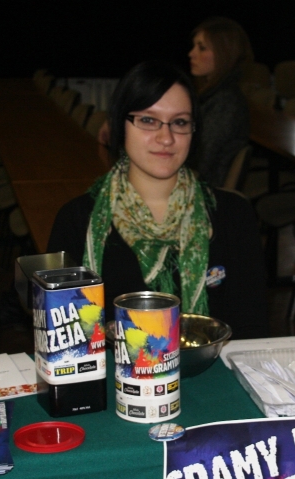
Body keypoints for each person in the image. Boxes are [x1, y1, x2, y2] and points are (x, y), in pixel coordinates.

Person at [48, 60, 267, 339]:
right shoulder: (76, 220)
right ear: (120, 125)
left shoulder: (233, 215)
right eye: (148, 120)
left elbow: (251, 330)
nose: (166, 138)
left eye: (180, 122)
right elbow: (62, 334)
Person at [186, 17, 253, 187]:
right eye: (194, 46)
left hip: (204, 191)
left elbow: (201, 162)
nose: (191, 53)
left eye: (202, 48)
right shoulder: (214, 94)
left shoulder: (226, 102)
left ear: (224, 53)